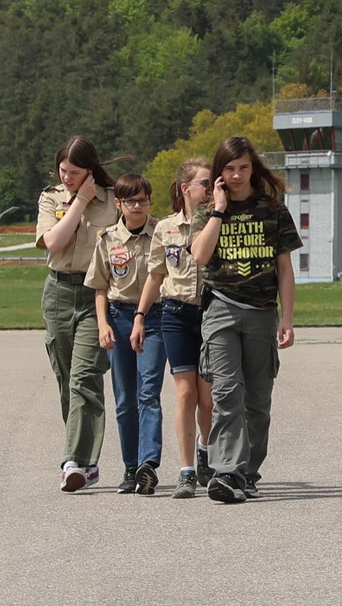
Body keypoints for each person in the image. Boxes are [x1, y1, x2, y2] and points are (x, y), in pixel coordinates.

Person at [189, 135, 303, 503]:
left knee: (257, 397)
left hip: (262, 314)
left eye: (243, 168)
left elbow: (285, 269)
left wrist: (288, 318)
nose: (237, 176)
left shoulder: (273, 209)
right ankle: (226, 471)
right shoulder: (207, 211)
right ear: (219, 173)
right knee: (226, 392)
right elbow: (201, 256)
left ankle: (247, 472)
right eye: (229, 169)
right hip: (220, 307)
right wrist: (219, 210)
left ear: (253, 168)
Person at [36, 135, 121, 492]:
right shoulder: (52, 198)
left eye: (74, 172)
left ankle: (75, 461)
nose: (67, 177)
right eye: (63, 170)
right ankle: (84, 460)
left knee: (84, 376)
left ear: (90, 170)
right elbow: (53, 242)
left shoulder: (114, 199)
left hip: (95, 295)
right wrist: (79, 200)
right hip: (57, 292)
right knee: (66, 378)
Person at [130, 159, 215, 499]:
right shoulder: (165, 228)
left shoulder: (216, 223)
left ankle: (206, 447)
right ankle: (186, 470)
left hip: (210, 313)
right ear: (186, 188)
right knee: (185, 393)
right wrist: (139, 315)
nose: (210, 189)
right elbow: (155, 275)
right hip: (176, 314)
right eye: (205, 184)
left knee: (207, 398)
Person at [85, 173, 167, 495]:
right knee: (124, 398)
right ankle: (130, 467)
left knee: (149, 390)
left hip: (154, 318)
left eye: (143, 199)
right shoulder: (107, 239)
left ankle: (149, 463)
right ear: (118, 203)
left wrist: (143, 317)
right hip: (118, 317)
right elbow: (100, 288)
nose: (137, 206)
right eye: (130, 200)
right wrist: (103, 324)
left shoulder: (161, 233)